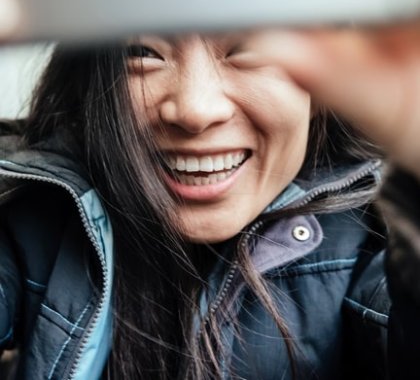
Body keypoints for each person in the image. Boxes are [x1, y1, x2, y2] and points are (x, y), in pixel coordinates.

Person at [0, 25, 420, 380]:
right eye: (142, 52)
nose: (195, 110)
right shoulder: (28, 216)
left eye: (246, 48)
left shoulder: (380, 238)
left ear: (320, 90)